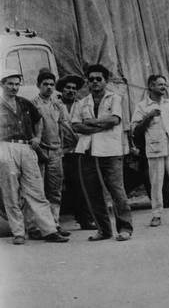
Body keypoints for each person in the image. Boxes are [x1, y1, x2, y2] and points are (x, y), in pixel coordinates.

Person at [0, 69, 69, 244]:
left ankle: (49, 230)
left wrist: (37, 137)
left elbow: (38, 120)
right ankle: (19, 232)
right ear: (2, 84)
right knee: (11, 192)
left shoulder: (24, 103)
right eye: (10, 84)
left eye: (17, 84)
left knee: (36, 190)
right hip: (5, 147)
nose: (14, 87)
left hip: (26, 147)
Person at [71, 64, 133, 241]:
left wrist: (92, 122)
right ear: (87, 82)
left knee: (116, 190)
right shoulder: (82, 102)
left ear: (105, 81)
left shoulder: (115, 98)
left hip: (110, 150)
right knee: (92, 191)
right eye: (91, 80)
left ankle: (125, 228)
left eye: (99, 79)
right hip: (87, 150)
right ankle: (104, 230)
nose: (95, 82)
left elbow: (114, 120)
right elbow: (76, 125)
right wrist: (99, 126)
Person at [131, 75, 169, 227]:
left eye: (165, 84)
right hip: (155, 148)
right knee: (156, 183)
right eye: (160, 85)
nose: (164, 87)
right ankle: (156, 215)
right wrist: (148, 116)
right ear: (151, 86)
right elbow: (135, 130)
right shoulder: (142, 106)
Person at [25, 71, 72, 238]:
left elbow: (66, 127)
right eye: (45, 84)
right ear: (38, 85)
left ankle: (54, 224)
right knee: (37, 190)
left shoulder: (57, 104)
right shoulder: (31, 104)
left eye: (52, 84)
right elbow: (29, 129)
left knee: (55, 190)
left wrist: (63, 148)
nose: (49, 87)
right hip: (38, 152)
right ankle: (33, 228)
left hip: (55, 152)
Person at [56, 74, 96, 230]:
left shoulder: (82, 105)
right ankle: (54, 223)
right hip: (59, 150)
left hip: (78, 150)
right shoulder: (55, 104)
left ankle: (85, 219)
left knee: (81, 185)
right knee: (58, 188)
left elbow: (87, 124)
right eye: (68, 88)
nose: (71, 91)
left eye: (74, 88)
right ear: (61, 89)